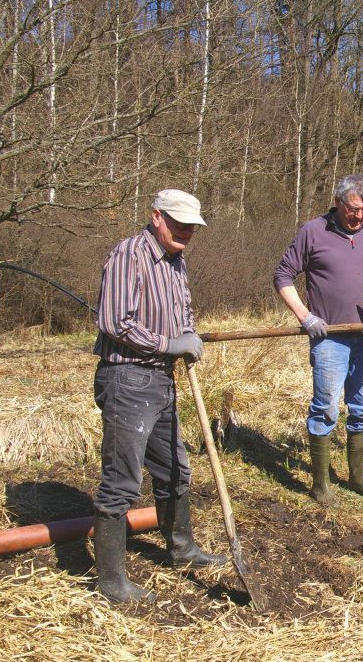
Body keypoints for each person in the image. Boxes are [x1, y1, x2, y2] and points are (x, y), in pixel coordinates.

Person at [92, 189, 225, 603]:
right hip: (127, 379)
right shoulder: (129, 255)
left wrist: (188, 335)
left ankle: (182, 550)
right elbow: (114, 321)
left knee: (174, 469)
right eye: (179, 222)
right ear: (156, 217)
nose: (187, 230)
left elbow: (182, 311)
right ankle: (111, 583)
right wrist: (169, 344)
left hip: (161, 381)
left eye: (192, 225)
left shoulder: (175, 261)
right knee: (121, 483)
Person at [274, 173, 363, 504]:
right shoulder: (313, 231)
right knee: (325, 408)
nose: (361, 215)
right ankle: (320, 484)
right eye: (354, 208)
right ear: (338, 203)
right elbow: (282, 275)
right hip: (330, 338)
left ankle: (359, 477)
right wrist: (305, 315)